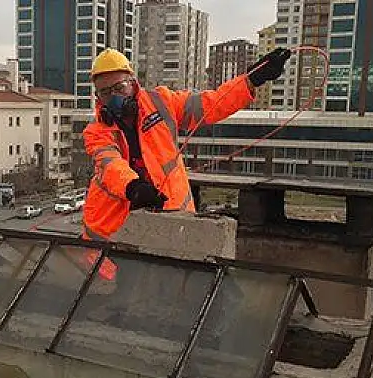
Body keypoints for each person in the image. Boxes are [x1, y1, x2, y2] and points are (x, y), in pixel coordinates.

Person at [81, 47, 291, 280]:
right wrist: (133, 187)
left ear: (133, 83)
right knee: (123, 294)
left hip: (169, 214)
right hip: (115, 228)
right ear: (97, 97)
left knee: (178, 285)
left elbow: (209, 104)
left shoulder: (160, 102)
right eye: (106, 93)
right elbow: (110, 164)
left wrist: (251, 80)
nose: (115, 98)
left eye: (119, 88)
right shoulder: (96, 131)